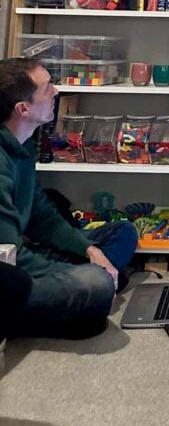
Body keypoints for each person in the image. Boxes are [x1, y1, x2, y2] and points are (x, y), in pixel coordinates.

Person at [0, 57, 138, 339]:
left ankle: (90, 289)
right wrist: (78, 272)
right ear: (23, 108)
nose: (56, 91)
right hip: (8, 277)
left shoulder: (23, 145)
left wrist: (90, 251)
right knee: (96, 283)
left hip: (26, 256)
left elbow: (43, 217)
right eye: (47, 87)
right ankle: (88, 293)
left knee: (122, 233)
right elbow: (9, 258)